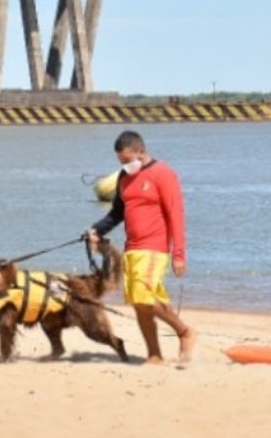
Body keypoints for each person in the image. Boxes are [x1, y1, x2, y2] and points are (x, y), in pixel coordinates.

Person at [87, 130, 195, 364]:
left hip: (155, 247)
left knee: (143, 296)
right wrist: (96, 230)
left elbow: (176, 214)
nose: (125, 165)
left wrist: (179, 254)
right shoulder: (124, 178)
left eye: (127, 160)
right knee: (140, 305)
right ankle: (154, 354)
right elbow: (117, 213)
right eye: (121, 162)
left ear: (141, 151)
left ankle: (184, 332)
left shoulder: (163, 174)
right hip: (132, 248)